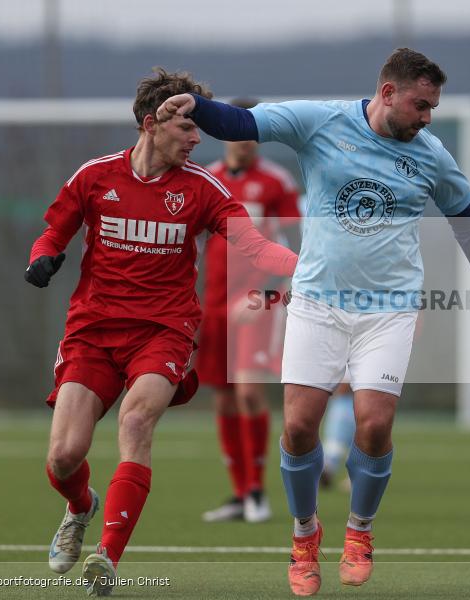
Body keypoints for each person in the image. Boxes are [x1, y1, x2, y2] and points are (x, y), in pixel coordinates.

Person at [157, 47, 470, 596]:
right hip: (318, 303)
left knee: (373, 423)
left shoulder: (431, 153)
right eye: (420, 105)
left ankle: (359, 532)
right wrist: (197, 106)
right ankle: (304, 536)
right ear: (388, 93)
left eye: (433, 108)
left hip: (389, 309)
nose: (427, 118)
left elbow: (465, 216)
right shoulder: (320, 121)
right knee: (299, 428)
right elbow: (243, 123)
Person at [26, 68, 297, 597]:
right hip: (92, 332)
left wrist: (306, 267)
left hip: (164, 332)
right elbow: (53, 232)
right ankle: (81, 507)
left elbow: (257, 247)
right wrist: (42, 258)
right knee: (64, 457)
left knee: (136, 419)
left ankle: (108, 556)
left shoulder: (203, 188)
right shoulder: (95, 177)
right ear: (152, 124)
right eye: (188, 129)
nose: (199, 139)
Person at [198, 98, 302, 524]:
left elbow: (296, 247)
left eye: (252, 132)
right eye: (237, 131)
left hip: (258, 302)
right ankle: (240, 494)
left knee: (248, 391)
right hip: (214, 303)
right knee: (223, 399)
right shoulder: (207, 180)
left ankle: (258, 491)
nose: (245, 141)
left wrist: (263, 292)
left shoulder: (276, 182)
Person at [319, 383, 356, 491]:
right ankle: (354, 477)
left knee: (335, 440)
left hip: (343, 404)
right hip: (354, 403)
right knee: (353, 442)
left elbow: (345, 384)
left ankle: (327, 468)